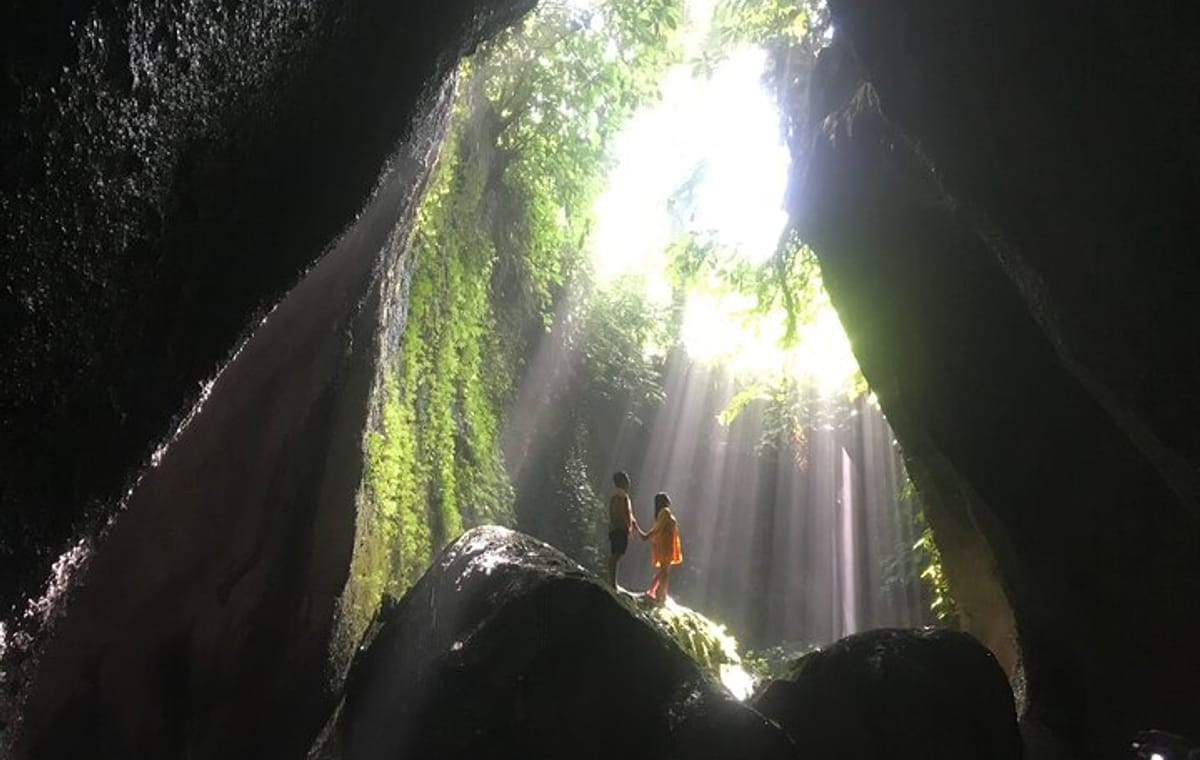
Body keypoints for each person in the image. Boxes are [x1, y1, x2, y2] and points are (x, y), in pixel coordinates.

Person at [641, 492, 682, 603]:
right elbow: (657, 529)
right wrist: (646, 536)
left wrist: (646, 536)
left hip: (666, 544)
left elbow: (657, 528)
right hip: (665, 545)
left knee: (663, 571)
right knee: (664, 572)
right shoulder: (665, 512)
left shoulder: (661, 513)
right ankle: (660, 594)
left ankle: (653, 591)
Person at [606, 471, 638, 589]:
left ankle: (613, 582)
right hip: (619, 528)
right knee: (616, 555)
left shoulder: (620, 495)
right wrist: (627, 526)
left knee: (617, 554)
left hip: (617, 528)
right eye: (627, 480)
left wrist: (633, 527)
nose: (629, 482)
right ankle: (613, 583)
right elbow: (622, 513)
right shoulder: (621, 496)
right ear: (623, 482)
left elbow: (628, 515)